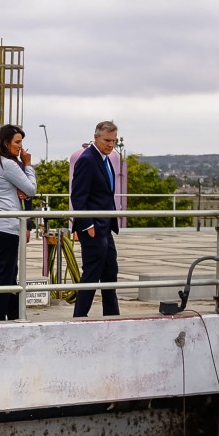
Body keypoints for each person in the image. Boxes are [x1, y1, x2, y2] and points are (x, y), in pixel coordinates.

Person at [0, 125, 36, 322]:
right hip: (5, 225)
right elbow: (30, 190)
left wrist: (17, 187)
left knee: (10, 273)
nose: (21, 147)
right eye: (17, 142)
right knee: (5, 276)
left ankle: (15, 314)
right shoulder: (8, 164)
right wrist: (28, 165)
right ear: (6, 143)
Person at [70, 120, 120, 318]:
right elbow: (78, 195)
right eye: (107, 140)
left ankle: (113, 315)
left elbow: (105, 194)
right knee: (91, 273)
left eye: (114, 141)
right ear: (96, 137)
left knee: (110, 272)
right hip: (93, 227)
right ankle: (80, 316)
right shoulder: (87, 159)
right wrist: (87, 224)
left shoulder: (105, 159)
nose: (111, 144)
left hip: (105, 226)